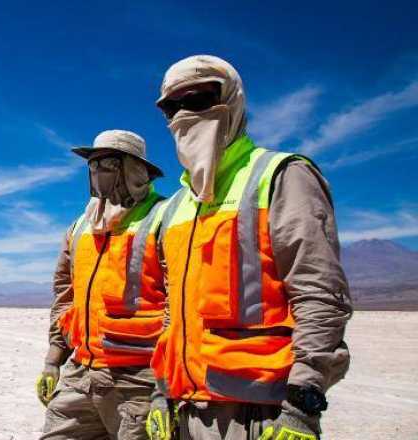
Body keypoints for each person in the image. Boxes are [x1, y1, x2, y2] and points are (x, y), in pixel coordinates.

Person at [144, 55, 352, 440]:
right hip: (185, 409)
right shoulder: (176, 207)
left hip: (263, 415)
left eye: (200, 99)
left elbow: (320, 295)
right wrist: (162, 392)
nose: (183, 114)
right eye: (172, 107)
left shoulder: (280, 176)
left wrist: (301, 406)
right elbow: (173, 311)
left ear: (232, 101)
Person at [37, 129, 168, 440]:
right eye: (92, 165)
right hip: (81, 373)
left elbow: (180, 304)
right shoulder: (80, 227)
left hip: (139, 382)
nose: (97, 173)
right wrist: (53, 359)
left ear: (133, 169)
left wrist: (165, 390)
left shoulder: (164, 218)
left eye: (107, 164)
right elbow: (65, 296)